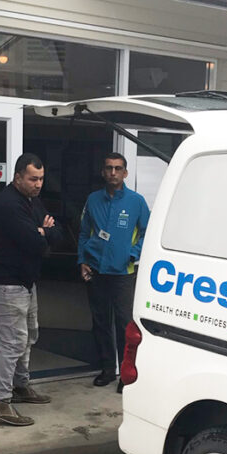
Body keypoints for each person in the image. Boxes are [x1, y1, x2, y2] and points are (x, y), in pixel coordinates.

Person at [0, 153, 61, 426]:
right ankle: (0, 402)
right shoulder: (8, 204)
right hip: (7, 284)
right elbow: (34, 243)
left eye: (41, 179)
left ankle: (20, 387)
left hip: (26, 282)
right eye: (33, 179)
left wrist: (44, 231)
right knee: (13, 342)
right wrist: (41, 232)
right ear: (18, 177)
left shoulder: (32, 201)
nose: (38, 184)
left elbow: (57, 232)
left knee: (29, 336)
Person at [78, 152, 150, 391]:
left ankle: (126, 375)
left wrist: (133, 254)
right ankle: (108, 370)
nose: (113, 172)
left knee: (124, 326)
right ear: (103, 172)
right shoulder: (93, 200)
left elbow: (146, 232)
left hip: (123, 273)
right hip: (96, 271)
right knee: (100, 323)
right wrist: (83, 260)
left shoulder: (136, 201)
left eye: (118, 168)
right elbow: (83, 232)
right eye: (109, 168)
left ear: (125, 173)